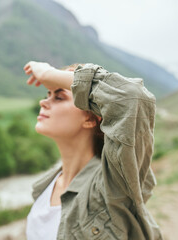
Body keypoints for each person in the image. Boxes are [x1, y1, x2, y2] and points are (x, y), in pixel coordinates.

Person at [23, 61, 163, 240]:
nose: (43, 102)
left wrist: (48, 74)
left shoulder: (112, 183)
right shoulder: (45, 186)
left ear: (90, 119)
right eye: (47, 94)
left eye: (59, 97)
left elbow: (131, 97)